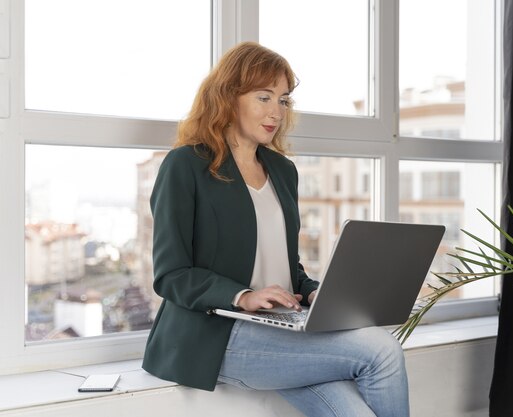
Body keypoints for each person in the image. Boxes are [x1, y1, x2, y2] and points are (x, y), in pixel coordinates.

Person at [142, 41, 410, 417]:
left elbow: (286, 266)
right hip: (217, 335)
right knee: (382, 350)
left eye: (283, 100)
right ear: (228, 97)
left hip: (283, 330)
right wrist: (242, 295)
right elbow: (171, 274)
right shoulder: (185, 165)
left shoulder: (282, 171)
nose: (276, 112)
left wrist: (317, 292)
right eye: (263, 97)